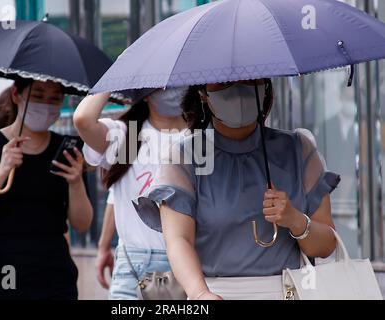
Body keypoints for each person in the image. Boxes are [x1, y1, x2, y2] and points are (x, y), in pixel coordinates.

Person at [135, 79, 341, 300]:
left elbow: (328, 244)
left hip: (289, 292)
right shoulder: (182, 157)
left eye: (251, 79)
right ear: (203, 93)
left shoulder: (298, 149)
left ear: (266, 87)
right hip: (216, 295)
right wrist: (200, 294)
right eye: (224, 83)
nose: (239, 89)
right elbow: (178, 240)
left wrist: (295, 220)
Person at [0, 79, 93, 300]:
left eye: (54, 99)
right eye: (38, 96)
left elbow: (82, 224)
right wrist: (1, 171)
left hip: (54, 272)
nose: (46, 105)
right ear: (16, 95)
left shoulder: (68, 150)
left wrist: (76, 183)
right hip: (3, 270)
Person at [73, 88, 188, 299]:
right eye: (161, 83)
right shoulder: (125, 135)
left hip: (179, 264)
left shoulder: (200, 138)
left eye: (176, 83)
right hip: (131, 261)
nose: (170, 89)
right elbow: (83, 120)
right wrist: (103, 246)